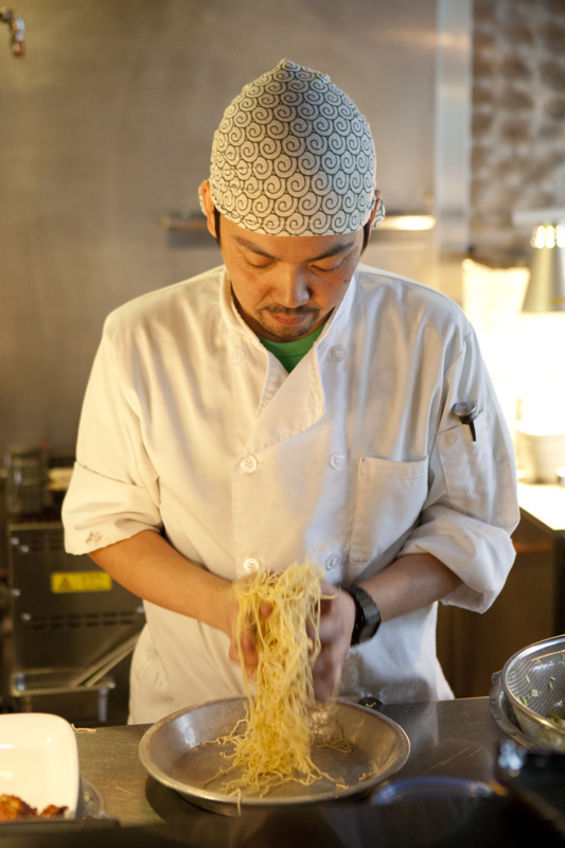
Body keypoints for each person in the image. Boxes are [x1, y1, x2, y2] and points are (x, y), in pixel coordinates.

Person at [62, 59, 519, 724]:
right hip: (197, 713)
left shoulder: (430, 335)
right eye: (257, 259)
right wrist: (226, 606)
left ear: (371, 219)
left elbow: (473, 524)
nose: (291, 293)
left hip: (386, 710)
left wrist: (360, 609)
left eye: (328, 261)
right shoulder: (142, 339)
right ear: (210, 211)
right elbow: (107, 523)